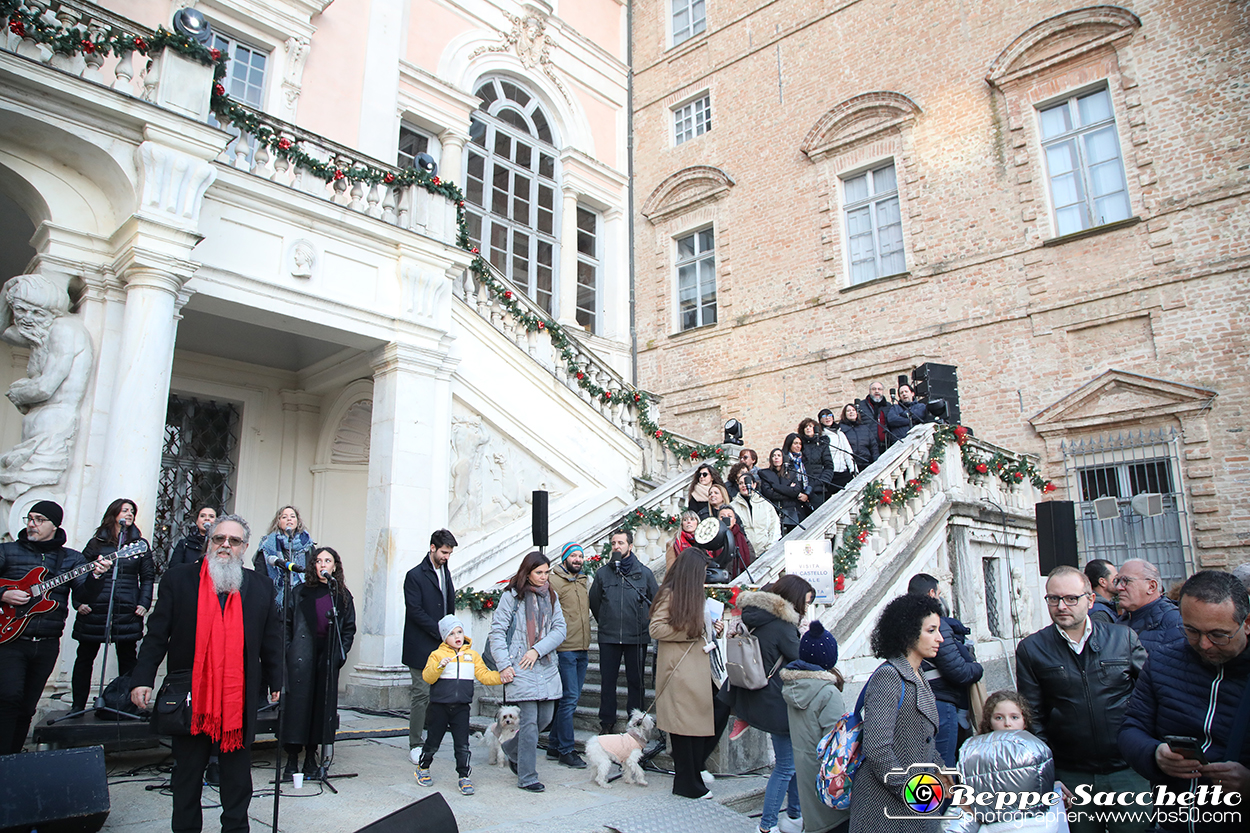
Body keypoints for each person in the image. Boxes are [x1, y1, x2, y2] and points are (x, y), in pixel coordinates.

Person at [130, 514, 282, 833]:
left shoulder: (261, 586)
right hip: (191, 694)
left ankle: (236, 828)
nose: (225, 545)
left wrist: (276, 680)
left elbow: (271, 639)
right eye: (219, 539)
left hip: (238, 695)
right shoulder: (179, 579)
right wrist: (142, 677)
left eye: (234, 541)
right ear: (209, 542)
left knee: (238, 776)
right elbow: (157, 634)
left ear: (245, 547)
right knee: (186, 775)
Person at [1015, 566, 1149, 833]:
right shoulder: (1032, 649)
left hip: (1128, 770)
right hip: (1071, 775)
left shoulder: (1122, 638)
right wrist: (1048, 776)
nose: (1061, 606)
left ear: (1090, 600)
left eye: (1070, 598)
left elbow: (1149, 697)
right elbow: (1033, 717)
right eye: (1053, 598)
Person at [1119, 570, 1250, 833]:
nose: (1204, 645)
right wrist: (1155, 755)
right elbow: (1131, 729)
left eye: (1218, 634)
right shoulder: (1162, 662)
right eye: (1191, 630)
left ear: (1247, 624)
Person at [0, 501, 109, 754]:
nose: (31, 524)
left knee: (27, 707)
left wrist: (96, 577)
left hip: (47, 642)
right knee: (7, 700)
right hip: (11, 641)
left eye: (39, 519)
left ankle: (13, 761)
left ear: (54, 525)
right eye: (30, 518)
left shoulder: (71, 559)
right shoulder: (7, 551)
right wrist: (4, 593)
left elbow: (84, 596)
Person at [848, 592, 947, 833]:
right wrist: (912, 792)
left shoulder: (918, 674)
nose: (940, 639)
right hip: (884, 808)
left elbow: (924, 740)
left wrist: (942, 772)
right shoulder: (889, 676)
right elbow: (877, 748)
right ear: (908, 632)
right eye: (931, 630)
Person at [725, 575, 813, 833]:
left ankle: (794, 816)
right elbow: (801, 658)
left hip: (759, 696)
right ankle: (767, 825)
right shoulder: (782, 627)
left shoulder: (756, 617)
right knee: (786, 766)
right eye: (805, 603)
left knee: (794, 762)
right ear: (794, 600)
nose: (806, 609)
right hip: (778, 702)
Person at [649, 548, 727, 799]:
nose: (705, 577)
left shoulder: (696, 595)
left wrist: (715, 628)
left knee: (702, 723)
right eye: (702, 572)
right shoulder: (669, 594)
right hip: (679, 672)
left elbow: (700, 630)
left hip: (699, 670)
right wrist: (689, 632)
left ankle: (693, 775)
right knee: (684, 730)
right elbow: (656, 628)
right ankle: (687, 783)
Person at [488, 551, 565, 792]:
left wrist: (537, 650)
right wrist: (504, 665)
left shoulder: (551, 596)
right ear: (527, 573)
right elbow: (497, 632)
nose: (544, 577)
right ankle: (527, 776)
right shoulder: (512, 597)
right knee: (530, 723)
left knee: (545, 718)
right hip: (519, 666)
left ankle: (511, 750)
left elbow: (560, 629)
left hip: (545, 664)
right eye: (539, 573)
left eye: (547, 572)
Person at [280, 546, 356, 782]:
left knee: (319, 709)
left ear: (335, 566)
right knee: (297, 708)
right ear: (314, 565)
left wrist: (338, 656)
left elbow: (348, 629)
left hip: (327, 657)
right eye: (319, 561)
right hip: (302, 657)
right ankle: (292, 760)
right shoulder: (299, 591)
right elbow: (286, 625)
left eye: (328, 561)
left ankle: (311, 758)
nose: (323, 564)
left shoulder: (341, 595)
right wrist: (290, 651)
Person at [71, 497, 154, 713]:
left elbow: (147, 577)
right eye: (125, 510)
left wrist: (143, 602)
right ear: (114, 513)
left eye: (132, 512)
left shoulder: (140, 545)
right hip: (95, 606)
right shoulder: (96, 543)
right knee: (85, 657)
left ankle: (127, 705)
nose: (129, 514)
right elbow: (79, 573)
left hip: (126, 607)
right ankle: (78, 705)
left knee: (127, 657)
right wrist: (79, 602)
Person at [946, 691, 1061, 833]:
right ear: (990, 722)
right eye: (999, 717)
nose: (1007, 724)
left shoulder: (1036, 750)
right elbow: (966, 804)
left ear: (1025, 721)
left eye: (1014, 717)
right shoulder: (974, 753)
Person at [417, 614, 503, 796]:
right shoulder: (437, 655)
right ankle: (423, 767)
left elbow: (484, 675)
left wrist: (501, 677)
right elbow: (428, 677)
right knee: (433, 741)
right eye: (451, 634)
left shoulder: (472, 655)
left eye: (459, 632)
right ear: (444, 638)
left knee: (462, 744)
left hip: (462, 707)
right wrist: (440, 665)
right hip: (439, 706)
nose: (457, 637)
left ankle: (464, 776)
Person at [907, 572, 983, 768]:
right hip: (941, 703)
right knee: (943, 772)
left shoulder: (906, 620)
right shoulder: (937, 625)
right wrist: (976, 668)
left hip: (926, 702)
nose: (938, 638)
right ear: (933, 593)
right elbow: (958, 671)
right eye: (932, 632)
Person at [781, 620, 848, 833]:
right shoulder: (828, 693)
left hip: (806, 771)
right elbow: (838, 745)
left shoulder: (794, 686)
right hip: (828, 780)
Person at [590, 529, 658, 733]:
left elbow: (655, 601)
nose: (616, 547)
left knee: (636, 682)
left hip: (636, 637)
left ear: (630, 545)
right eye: (613, 543)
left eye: (620, 542)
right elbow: (594, 602)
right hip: (609, 637)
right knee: (607, 682)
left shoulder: (644, 573)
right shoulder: (603, 573)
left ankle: (636, 722)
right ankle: (607, 722)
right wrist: (606, 622)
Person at [402, 529, 458, 764]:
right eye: (444, 552)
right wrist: (440, 630)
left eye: (450, 553)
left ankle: (432, 738)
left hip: (441, 646)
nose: (447, 557)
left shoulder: (446, 572)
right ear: (433, 548)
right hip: (421, 645)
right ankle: (415, 743)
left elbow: (449, 603)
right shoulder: (414, 575)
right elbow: (414, 611)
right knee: (421, 694)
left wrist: (452, 630)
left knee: (440, 696)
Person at [548, 542, 590, 769]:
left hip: (582, 648)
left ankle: (554, 745)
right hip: (565, 650)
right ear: (565, 558)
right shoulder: (553, 582)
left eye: (580, 556)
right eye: (573, 556)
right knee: (569, 699)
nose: (577, 560)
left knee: (569, 699)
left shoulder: (583, 581)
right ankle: (567, 749)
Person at [1114, 558, 1183, 655]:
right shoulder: (1121, 622)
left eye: (1126, 581)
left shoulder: (1174, 621)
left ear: (1151, 587)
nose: (1118, 588)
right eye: (1117, 581)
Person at [254, 505, 314, 607]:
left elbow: (312, 570)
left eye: (292, 516)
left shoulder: (307, 544)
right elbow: (260, 573)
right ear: (278, 521)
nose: (289, 519)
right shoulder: (268, 544)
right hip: (275, 598)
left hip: (301, 597)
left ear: (297, 521)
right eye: (284, 517)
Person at [729, 462, 781, 558]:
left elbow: (774, 527)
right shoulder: (732, 507)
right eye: (740, 483)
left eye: (746, 482)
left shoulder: (765, 504)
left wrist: (769, 548)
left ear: (754, 485)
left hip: (765, 553)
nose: (744, 485)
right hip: (745, 554)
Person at [758, 447, 805, 534]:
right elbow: (768, 493)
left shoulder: (792, 472)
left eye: (779, 455)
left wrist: (775, 487)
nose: (776, 457)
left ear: (783, 458)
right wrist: (788, 491)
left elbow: (796, 491)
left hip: (791, 511)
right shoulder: (765, 473)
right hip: (775, 510)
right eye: (774, 455)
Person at [798, 417, 834, 509]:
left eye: (810, 426)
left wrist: (823, 481)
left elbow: (828, 466)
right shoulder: (800, 446)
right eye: (806, 427)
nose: (808, 428)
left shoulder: (822, 445)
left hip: (819, 486)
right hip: (804, 486)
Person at [818, 409, 855, 495]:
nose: (827, 418)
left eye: (830, 415)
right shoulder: (821, 436)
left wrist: (853, 469)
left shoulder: (840, 434)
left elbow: (848, 452)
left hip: (843, 470)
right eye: (824, 416)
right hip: (831, 472)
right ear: (820, 420)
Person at [838, 403, 879, 470]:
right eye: (848, 411)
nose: (851, 412)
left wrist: (876, 461)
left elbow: (873, 446)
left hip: (866, 463)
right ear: (844, 414)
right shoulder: (841, 429)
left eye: (853, 410)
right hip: (850, 465)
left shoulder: (865, 428)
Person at [783, 432, 814, 518]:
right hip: (793, 499)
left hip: (806, 498)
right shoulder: (785, 461)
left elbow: (811, 478)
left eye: (800, 444)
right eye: (795, 443)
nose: (798, 446)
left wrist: (807, 494)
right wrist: (798, 494)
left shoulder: (804, 460)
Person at [718, 506, 754, 579]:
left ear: (734, 521)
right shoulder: (710, 540)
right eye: (722, 517)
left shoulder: (743, 540)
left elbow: (751, 560)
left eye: (729, 516)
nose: (726, 519)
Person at [858, 381, 891, 450]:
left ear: (883, 391)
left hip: (887, 445)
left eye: (879, 389)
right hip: (869, 446)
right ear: (869, 391)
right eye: (874, 389)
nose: (876, 391)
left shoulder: (888, 406)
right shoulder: (861, 406)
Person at [1084, 559, 1119, 624]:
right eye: (1115, 579)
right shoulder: (1099, 614)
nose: (1119, 583)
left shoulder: (1096, 607)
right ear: (1102, 582)